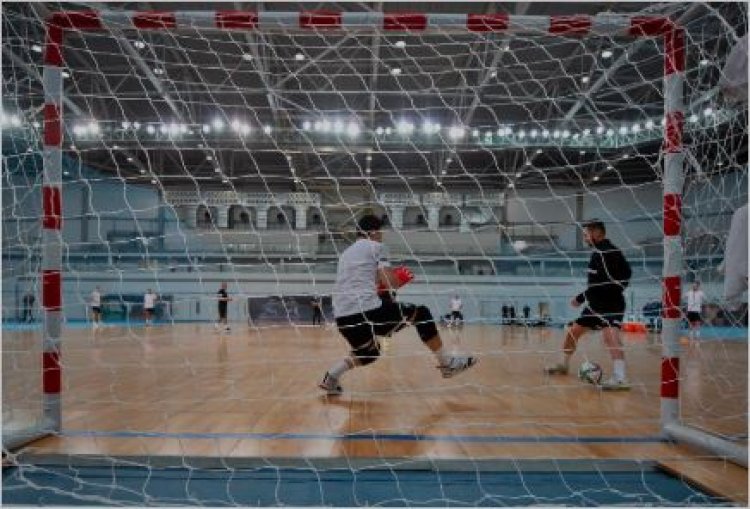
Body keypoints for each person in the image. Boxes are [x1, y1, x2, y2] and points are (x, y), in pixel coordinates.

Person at [319, 215, 477, 395]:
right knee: (421, 313)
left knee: (370, 353)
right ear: (374, 232)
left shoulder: (346, 254)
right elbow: (388, 281)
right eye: (380, 233)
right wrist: (399, 278)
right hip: (367, 312)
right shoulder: (376, 247)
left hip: (343, 317)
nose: (381, 236)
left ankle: (331, 377)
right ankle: (447, 363)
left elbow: (369, 282)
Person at [545, 220, 632, 390]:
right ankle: (563, 365)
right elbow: (599, 283)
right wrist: (587, 297)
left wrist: (581, 297)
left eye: (586, 234)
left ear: (597, 233)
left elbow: (620, 276)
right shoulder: (598, 252)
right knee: (573, 332)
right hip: (595, 305)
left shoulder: (608, 252)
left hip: (611, 304)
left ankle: (620, 378)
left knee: (610, 338)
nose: (585, 237)